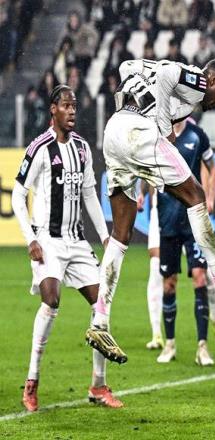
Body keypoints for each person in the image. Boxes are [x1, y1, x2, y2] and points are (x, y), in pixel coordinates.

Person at [85, 58, 215, 364]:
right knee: (197, 195)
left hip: (113, 132)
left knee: (121, 232)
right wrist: (166, 131)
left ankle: (100, 321)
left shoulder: (165, 79)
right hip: (140, 132)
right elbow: (168, 74)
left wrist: (143, 82)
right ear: (214, 80)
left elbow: (126, 67)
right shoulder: (199, 79)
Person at [11, 85, 122, 411]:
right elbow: (18, 195)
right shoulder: (39, 148)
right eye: (66, 106)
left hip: (77, 241)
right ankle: (32, 381)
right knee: (51, 299)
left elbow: (89, 195)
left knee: (101, 303)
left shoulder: (82, 149)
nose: (72, 111)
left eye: (74, 106)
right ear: (53, 110)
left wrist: (105, 236)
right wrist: (30, 239)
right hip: (48, 240)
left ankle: (98, 386)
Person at [138, 120, 215, 352]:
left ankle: (214, 317)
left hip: (191, 213)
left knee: (202, 275)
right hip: (162, 212)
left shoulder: (195, 133)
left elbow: (209, 168)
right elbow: (147, 168)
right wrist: (141, 195)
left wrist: (209, 198)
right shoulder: (156, 130)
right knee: (158, 271)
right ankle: (158, 334)